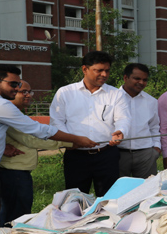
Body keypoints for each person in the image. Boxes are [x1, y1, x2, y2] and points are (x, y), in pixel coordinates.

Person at [0, 65, 95, 234]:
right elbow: (37, 130)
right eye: (13, 85)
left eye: (18, 85)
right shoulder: (0, 105)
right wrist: (76, 139)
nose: (17, 89)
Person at [49, 51, 130, 196]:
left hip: (106, 155)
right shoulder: (65, 93)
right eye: (99, 70)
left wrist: (121, 131)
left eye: (107, 70)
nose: (104, 74)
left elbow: (123, 118)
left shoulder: (116, 94)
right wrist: (73, 140)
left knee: (108, 199)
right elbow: (57, 121)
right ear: (85, 69)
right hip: (76, 156)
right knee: (75, 199)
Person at [0, 80, 72, 225]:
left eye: (30, 91)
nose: (28, 95)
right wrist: (71, 141)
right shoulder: (9, 115)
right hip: (13, 173)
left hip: (18, 173)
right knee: (15, 218)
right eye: (23, 92)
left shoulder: (15, 113)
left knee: (17, 214)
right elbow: (32, 140)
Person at [118, 63, 160, 178]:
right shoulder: (113, 98)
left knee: (146, 191)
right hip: (119, 153)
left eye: (144, 80)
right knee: (119, 191)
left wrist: (156, 148)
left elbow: (154, 126)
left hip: (145, 154)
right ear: (125, 77)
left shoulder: (151, 101)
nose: (141, 82)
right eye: (137, 78)